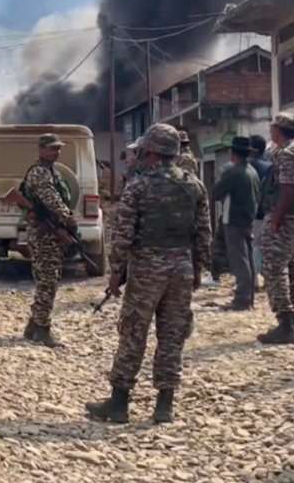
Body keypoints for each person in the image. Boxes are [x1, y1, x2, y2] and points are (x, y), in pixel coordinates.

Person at [86, 123, 210, 425]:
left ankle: (119, 405)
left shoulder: (139, 186)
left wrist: (116, 273)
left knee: (133, 333)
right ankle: (164, 405)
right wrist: (197, 269)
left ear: (151, 150)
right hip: (181, 268)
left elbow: (123, 234)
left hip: (146, 269)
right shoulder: (195, 185)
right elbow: (203, 233)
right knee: (172, 335)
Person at [257, 113, 294, 344]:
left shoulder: (289, 153)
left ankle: (285, 322)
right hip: (293, 216)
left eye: (272, 127)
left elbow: (287, 189)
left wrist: (276, 219)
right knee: (290, 269)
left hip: (285, 217)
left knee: (273, 268)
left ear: (278, 130)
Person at [21, 133, 76, 348]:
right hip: (44, 233)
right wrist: (68, 219)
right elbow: (52, 200)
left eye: (59, 149)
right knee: (48, 280)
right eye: (53, 148)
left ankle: (34, 325)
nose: (57, 152)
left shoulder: (52, 171)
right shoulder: (39, 173)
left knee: (48, 278)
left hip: (51, 231)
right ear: (41, 149)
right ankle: (42, 329)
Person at [212, 136, 260, 310]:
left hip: (234, 219)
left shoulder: (233, 172)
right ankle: (249, 297)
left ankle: (242, 299)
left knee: (239, 260)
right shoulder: (252, 171)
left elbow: (216, 193)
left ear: (233, 153)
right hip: (248, 218)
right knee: (248, 259)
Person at [248, 134, 272, 278]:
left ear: (253, 149)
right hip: (269, 212)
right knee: (265, 246)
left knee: (254, 245)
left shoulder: (251, 166)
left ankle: (255, 277)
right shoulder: (270, 164)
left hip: (254, 213)